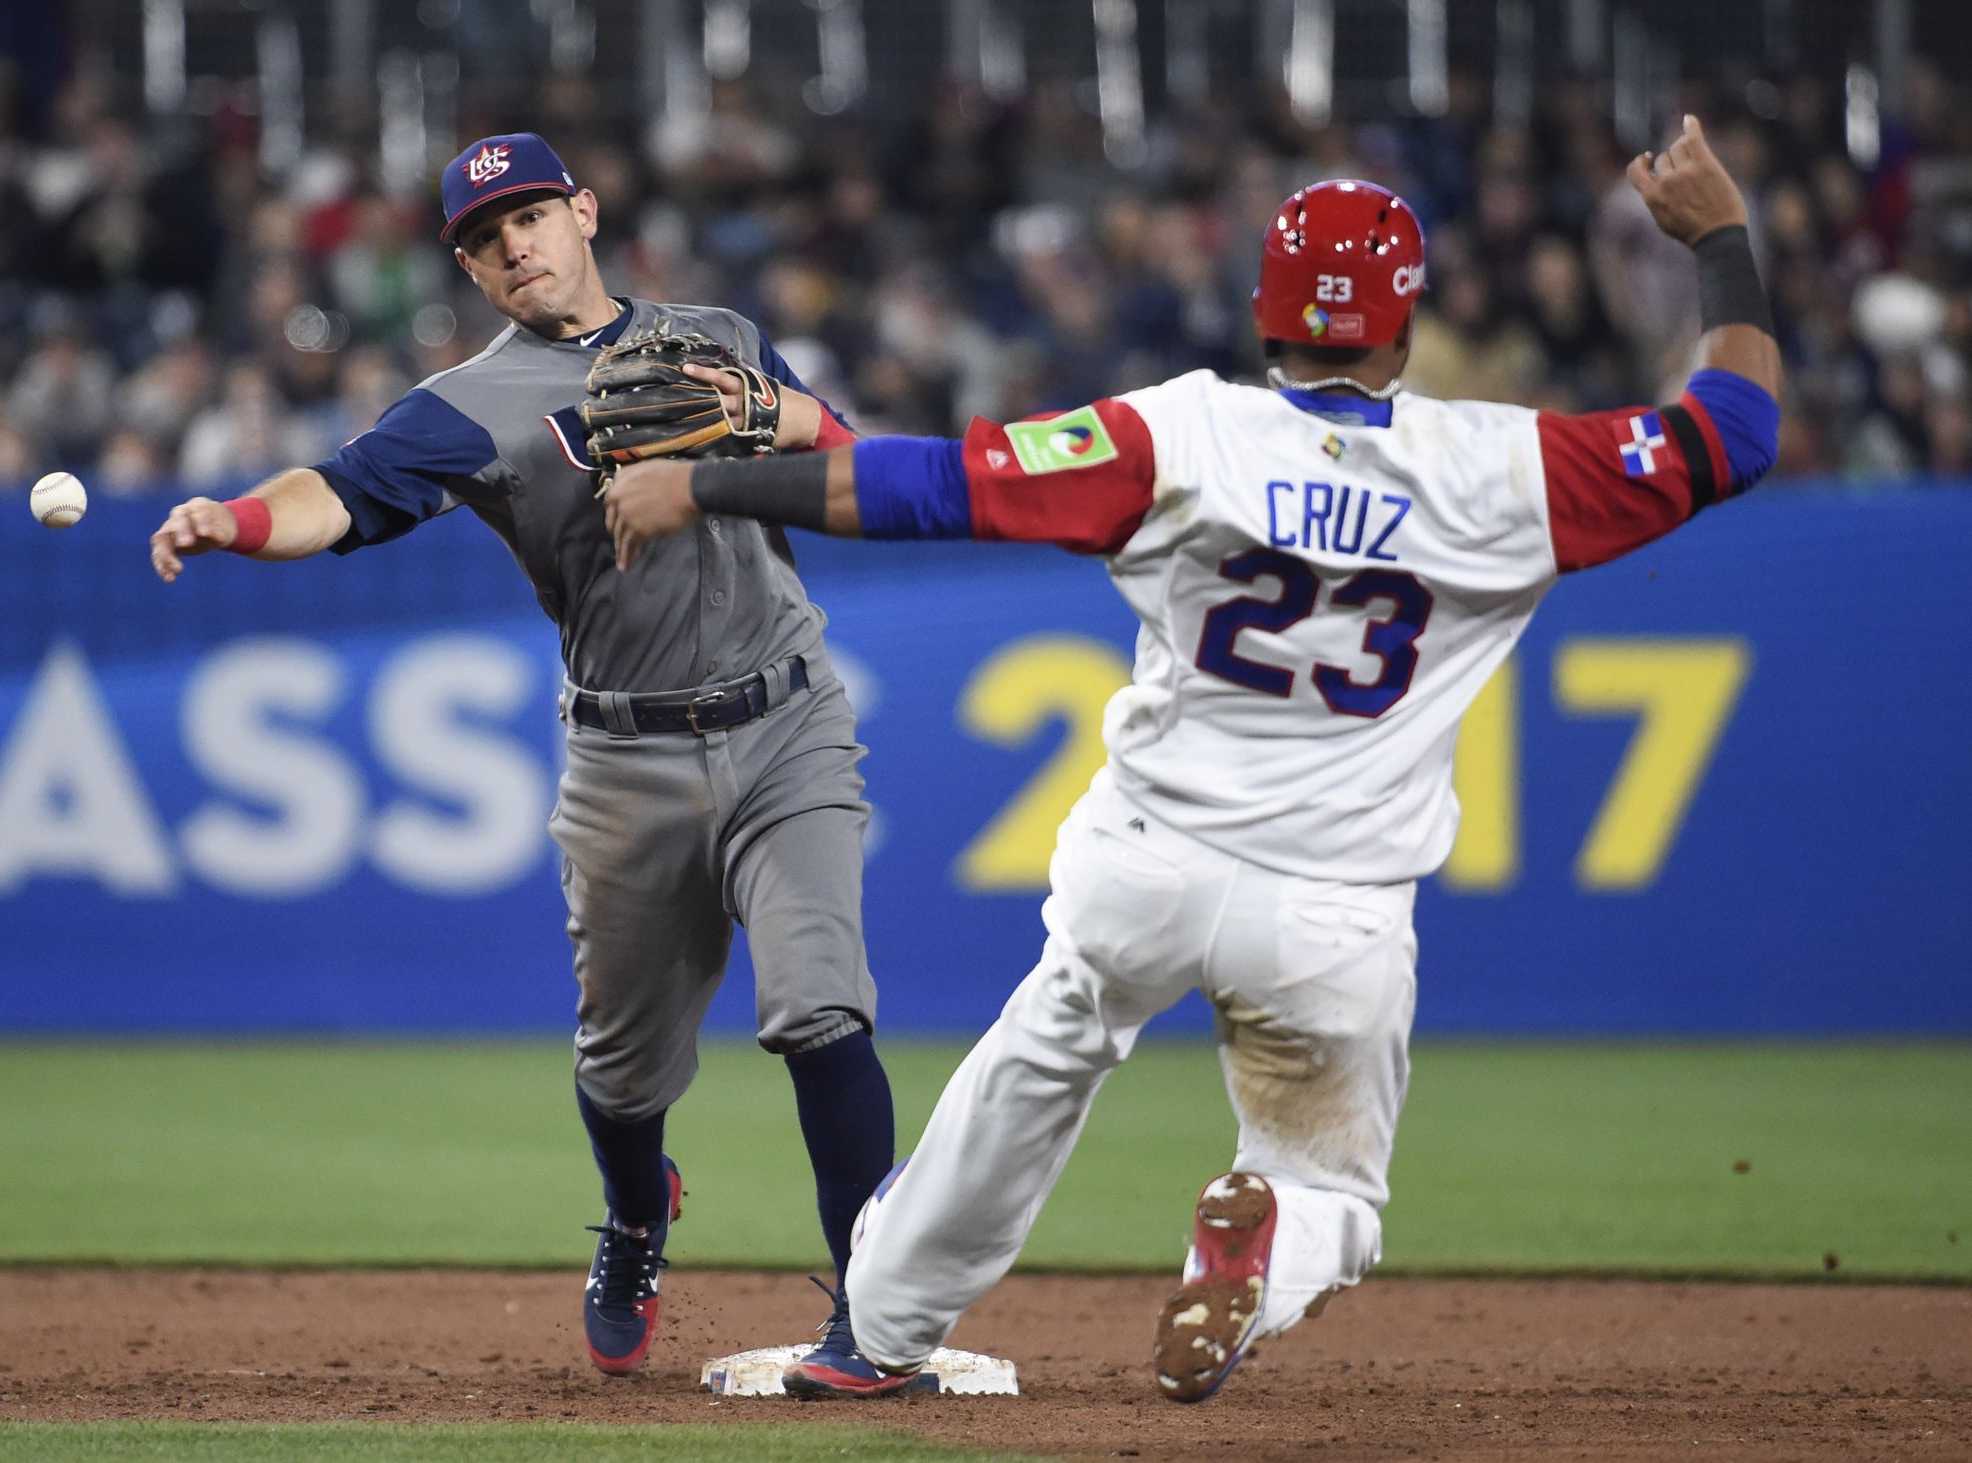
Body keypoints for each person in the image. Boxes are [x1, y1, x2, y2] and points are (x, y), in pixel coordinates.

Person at [601, 117, 1781, 1401]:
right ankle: (1261, 1246)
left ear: (1262, 308)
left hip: (1149, 865)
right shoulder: (1505, 466)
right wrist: (1718, 237)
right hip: (1334, 905)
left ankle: (873, 1335)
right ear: (1401, 322)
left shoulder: (1179, 435)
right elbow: (1733, 431)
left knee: (1037, 1055)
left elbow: (934, 485)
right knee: (1327, 1181)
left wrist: (704, 488)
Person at [148, 132, 896, 1382]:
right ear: (471, 268)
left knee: (821, 1006)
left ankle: (879, 1312)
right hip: (625, 758)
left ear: (586, 213)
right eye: (484, 235)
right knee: (619, 1068)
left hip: (787, 719)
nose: (513, 242)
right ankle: (637, 1211)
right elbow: (334, 492)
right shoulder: (466, 407)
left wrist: (768, 408)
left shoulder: (718, 330)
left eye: (533, 214)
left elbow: (850, 464)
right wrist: (232, 516)